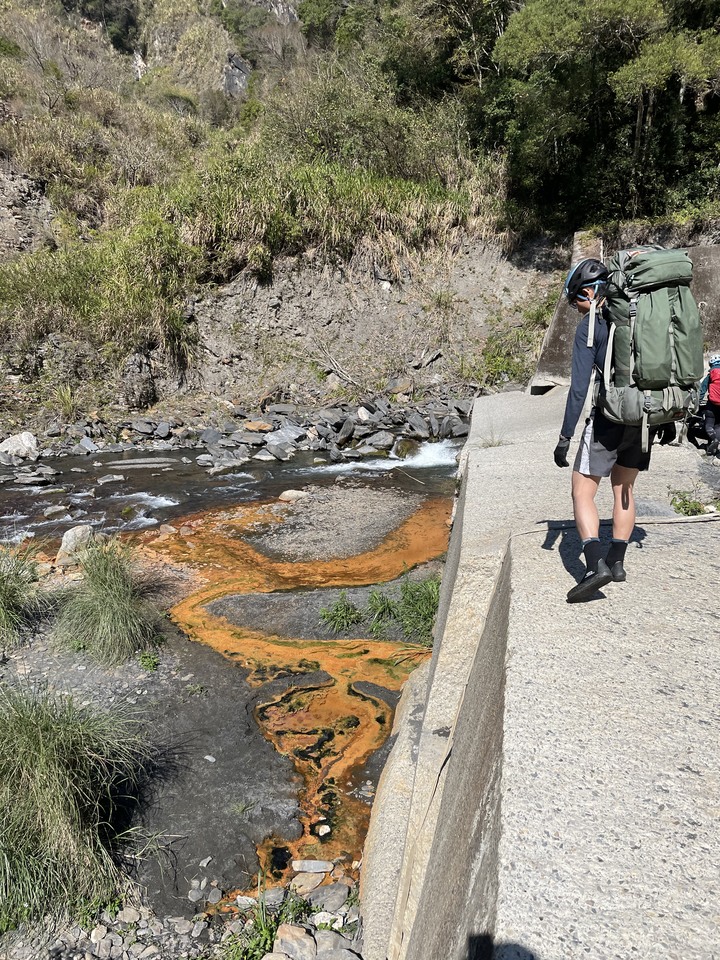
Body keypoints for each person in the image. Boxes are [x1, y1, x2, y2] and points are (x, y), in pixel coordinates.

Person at [552, 258, 674, 603]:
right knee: (624, 488)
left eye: (576, 299)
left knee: (582, 490)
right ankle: (617, 563)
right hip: (645, 417)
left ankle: (594, 567)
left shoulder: (592, 326)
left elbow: (578, 389)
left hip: (609, 418)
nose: (576, 308)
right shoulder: (642, 319)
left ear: (589, 292)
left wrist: (565, 437)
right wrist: (668, 417)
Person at [698, 353, 720, 457]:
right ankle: (714, 446)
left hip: (712, 405)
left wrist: (697, 402)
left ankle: (713, 439)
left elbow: (702, 391)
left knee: (709, 425)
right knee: (718, 425)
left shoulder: (710, 375)